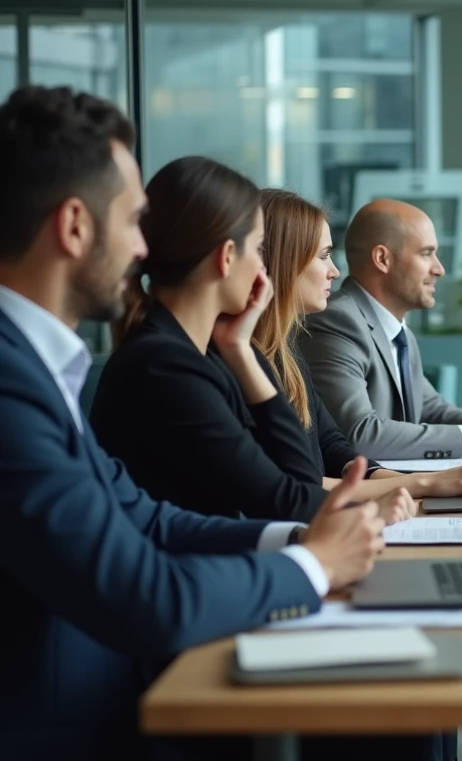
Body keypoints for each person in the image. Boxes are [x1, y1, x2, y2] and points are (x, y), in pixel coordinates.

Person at [0, 85, 408, 761]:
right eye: (132, 222)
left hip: (114, 691)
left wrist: (302, 539)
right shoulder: (15, 385)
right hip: (77, 731)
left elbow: (147, 518)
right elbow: (144, 594)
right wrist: (314, 565)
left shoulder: (39, 367)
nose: (142, 248)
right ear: (74, 227)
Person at [91, 157, 408, 524]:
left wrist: (240, 351)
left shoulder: (193, 353)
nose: (266, 268)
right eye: (259, 250)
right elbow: (291, 496)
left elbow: (300, 482)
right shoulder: (166, 364)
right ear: (227, 257)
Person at [252, 187, 462, 502]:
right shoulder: (333, 322)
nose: (335, 271)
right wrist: (448, 462)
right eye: (426, 253)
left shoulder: (289, 349)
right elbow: (352, 441)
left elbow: (333, 445)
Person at [299, 199, 462, 460]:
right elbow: (359, 435)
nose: (439, 269)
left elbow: (431, 409)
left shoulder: (397, 329)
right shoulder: (337, 320)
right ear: (383, 259)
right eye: (426, 254)